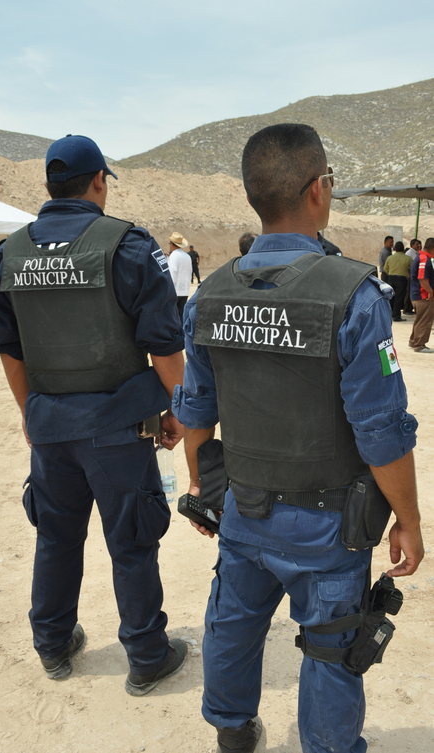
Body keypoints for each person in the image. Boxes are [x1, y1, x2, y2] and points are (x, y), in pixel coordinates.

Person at [173, 123, 423, 753]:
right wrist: (409, 519)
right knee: (332, 644)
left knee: (233, 622)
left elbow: (195, 409)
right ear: (319, 189)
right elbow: (382, 430)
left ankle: (232, 730)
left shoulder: (209, 295)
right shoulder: (356, 297)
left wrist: (203, 487)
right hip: (328, 525)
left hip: (243, 507)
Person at [0, 134, 188, 692]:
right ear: (99, 181)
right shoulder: (127, 246)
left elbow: (7, 345)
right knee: (132, 541)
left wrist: (30, 412)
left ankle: (52, 644)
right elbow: (164, 345)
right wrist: (179, 411)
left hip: (50, 427)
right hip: (118, 428)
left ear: (51, 186)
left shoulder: (9, 252)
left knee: (55, 537)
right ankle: (146, 655)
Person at [408, 237, 434, 353]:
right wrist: (430, 291)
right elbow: (422, 277)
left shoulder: (421, 257)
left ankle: (414, 341)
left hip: (417, 294)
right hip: (423, 295)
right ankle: (419, 345)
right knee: (425, 320)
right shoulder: (424, 259)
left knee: (420, 319)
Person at [383, 241, 412, 321]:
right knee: (399, 298)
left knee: (391, 297)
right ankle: (396, 316)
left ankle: (389, 314)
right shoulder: (408, 258)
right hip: (402, 279)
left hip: (391, 278)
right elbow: (413, 268)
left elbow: (385, 269)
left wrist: (390, 273)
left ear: (395, 249)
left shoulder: (390, 258)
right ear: (403, 249)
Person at [168, 231, 192, 322]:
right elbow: (190, 272)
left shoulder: (174, 256)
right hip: (185, 290)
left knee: (172, 317)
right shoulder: (187, 256)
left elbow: (172, 274)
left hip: (175, 291)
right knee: (181, 316)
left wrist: (169, 290)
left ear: (172, 244)